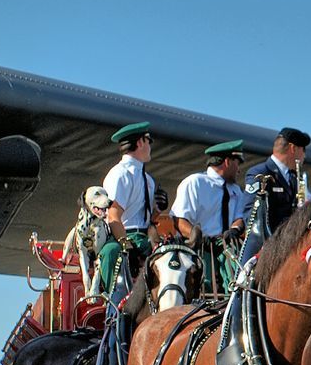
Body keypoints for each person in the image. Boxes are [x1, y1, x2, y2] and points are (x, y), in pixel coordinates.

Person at [171, 139, 249, 293]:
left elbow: (240, 218)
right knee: (204, 285)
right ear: (227, 162)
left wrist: (234, 229)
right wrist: (200, 239)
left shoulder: (236, 190)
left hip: (226, 246)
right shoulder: (195, 183)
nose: (239, 170)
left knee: (240, 279)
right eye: (237, 163)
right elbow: (179, 221)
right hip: (200, 248)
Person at [98, 122, 166, 293]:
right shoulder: (119, 174)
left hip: (144, 237)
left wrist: (158, 209)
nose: (150, 146)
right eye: (148, 141)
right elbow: (113, 217)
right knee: (111, 252)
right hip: (123, 235)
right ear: (141, 142)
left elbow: (148, 220)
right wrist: (127, 245)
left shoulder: (148, 180)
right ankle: (113, 307)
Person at [244, 127, 311, 233]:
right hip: (267, 244)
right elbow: (253, 218)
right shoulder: (260, 173)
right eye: (303, 150)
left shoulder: (293, 178)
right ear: (293, 148)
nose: (304, 156)